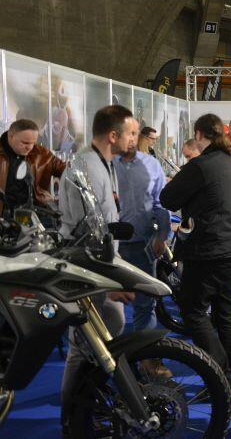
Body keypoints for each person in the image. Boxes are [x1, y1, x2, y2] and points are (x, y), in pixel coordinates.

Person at [59, 106, 138, 422]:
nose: (134, 139)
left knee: (102, 340)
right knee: (82, 349)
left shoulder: (101, 163)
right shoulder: (87, 167)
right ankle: (72, 420)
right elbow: (87, 234)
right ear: (113, 135)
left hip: (97, 269)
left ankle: (86, 408)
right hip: (89, 273)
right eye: (131, 133)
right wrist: (107, 282)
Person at [160, 113, 231, 386]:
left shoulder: (200, 166)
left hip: (207, 249)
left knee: (193, 310)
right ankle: (229, 374)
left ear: (198, 134)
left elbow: (167, 198)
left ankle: (219, 374)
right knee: (226, 310)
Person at [113, 121, 171, 355]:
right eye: (126, 134)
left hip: (142, 243)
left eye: (134, 134)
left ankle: (146, 358)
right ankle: (109, 361)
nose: (130, 139)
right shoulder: (105, 164)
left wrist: (162, 235)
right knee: (108, 308)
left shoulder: (151, 164)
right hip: (108, 247)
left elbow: (160, 202)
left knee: (146, 303)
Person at [0, 118, 66, 216]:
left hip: (36, 210)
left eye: (33, 143)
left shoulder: (42, 153)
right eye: (25, 143)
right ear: (11, 136)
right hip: (5, 213)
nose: (30, 147)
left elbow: (65, 170)